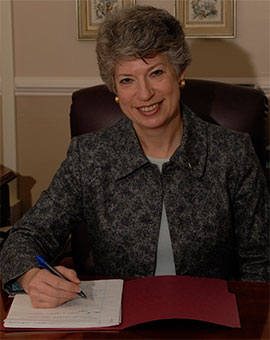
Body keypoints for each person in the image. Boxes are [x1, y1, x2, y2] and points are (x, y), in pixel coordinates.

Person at [0, 5, 269, 308]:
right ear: (114, 88)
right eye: (127, 80)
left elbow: (261, 261)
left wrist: (252, 321)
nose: (144, 94)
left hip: (211, 323)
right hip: (117, 324)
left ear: (179, 73)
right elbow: (24, 237)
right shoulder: (90, 156)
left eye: (155, 73)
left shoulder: (232, 153)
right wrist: (31, 276)